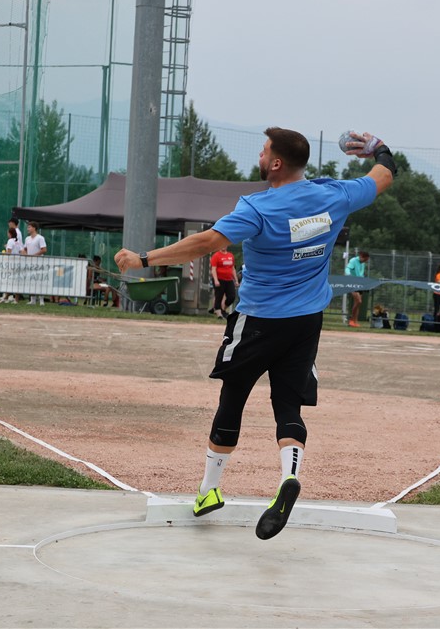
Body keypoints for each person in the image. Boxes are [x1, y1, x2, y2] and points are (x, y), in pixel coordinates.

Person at [114, 127, 396, 540]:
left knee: (232, 399)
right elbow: (383, 176)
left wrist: (144, 258)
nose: (260, 156)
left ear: (277, 163)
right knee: (288, 406)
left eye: (264, 152)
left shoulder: (258, 207)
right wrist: (378, 148)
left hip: (259, 321)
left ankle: (209, 491)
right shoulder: (334, 195)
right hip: (306, 322)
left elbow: (207, 242)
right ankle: (288, 477)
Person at [22, 222, 47, 305]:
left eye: (29, 227)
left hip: (39, 262)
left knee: (39, 281)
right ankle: (32, 300)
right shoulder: (27, 239)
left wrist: (34, 255)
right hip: (30, 263)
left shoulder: (40, 238)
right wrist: (25, 254)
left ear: (34, 228)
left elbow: (44, 249)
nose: (28, 229)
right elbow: (25, 249)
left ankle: (41, 300)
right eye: (28, 227)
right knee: (31, 281)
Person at [209, 245, 237, 319]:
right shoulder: (216, 256)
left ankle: (223, 309)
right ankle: (219, 313)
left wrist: (236, 280)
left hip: (229, 279)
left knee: (231, 296)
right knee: (219, 296)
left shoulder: (230, 255)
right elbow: (213, 269)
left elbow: (233, 268)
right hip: (219, 279)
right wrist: (216, 280)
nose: (223, 246)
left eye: (224, 245)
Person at [344, 250, 370, 327]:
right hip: (352, 283)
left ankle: (354, 321)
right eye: (365, 259)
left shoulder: (363, 263)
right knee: (359, 301)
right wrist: (348, 275)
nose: (365, 261)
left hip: (359, 283)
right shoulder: (353, 260)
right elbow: (347, 268)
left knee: (357, 303)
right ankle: (351, 319)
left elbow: (361, 273)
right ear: (361, 257)